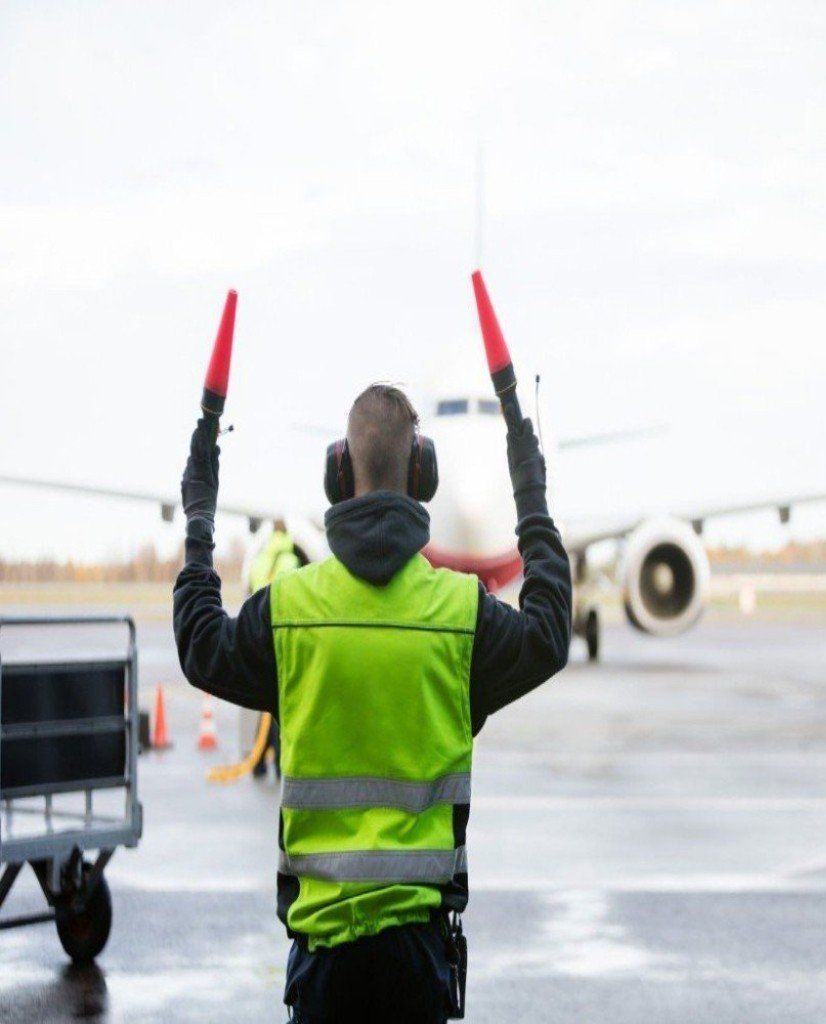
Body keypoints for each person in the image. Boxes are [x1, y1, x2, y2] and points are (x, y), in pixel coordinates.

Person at [174, 382, 571, 1022]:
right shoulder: (461, 615)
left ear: (339, 470)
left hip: (323, 964)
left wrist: (199, 521)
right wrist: (531, 496)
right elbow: (549, 632)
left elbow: (198, 641)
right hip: (418, 960)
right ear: (423, 472)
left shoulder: (290, 611)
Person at [247, 520, 301, 779]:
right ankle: (279, 761)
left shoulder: (259, 561)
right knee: (282, 703)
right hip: (284, 638)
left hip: (261, 636)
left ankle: (258, 761)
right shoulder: (290, 561)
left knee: (265, 702)